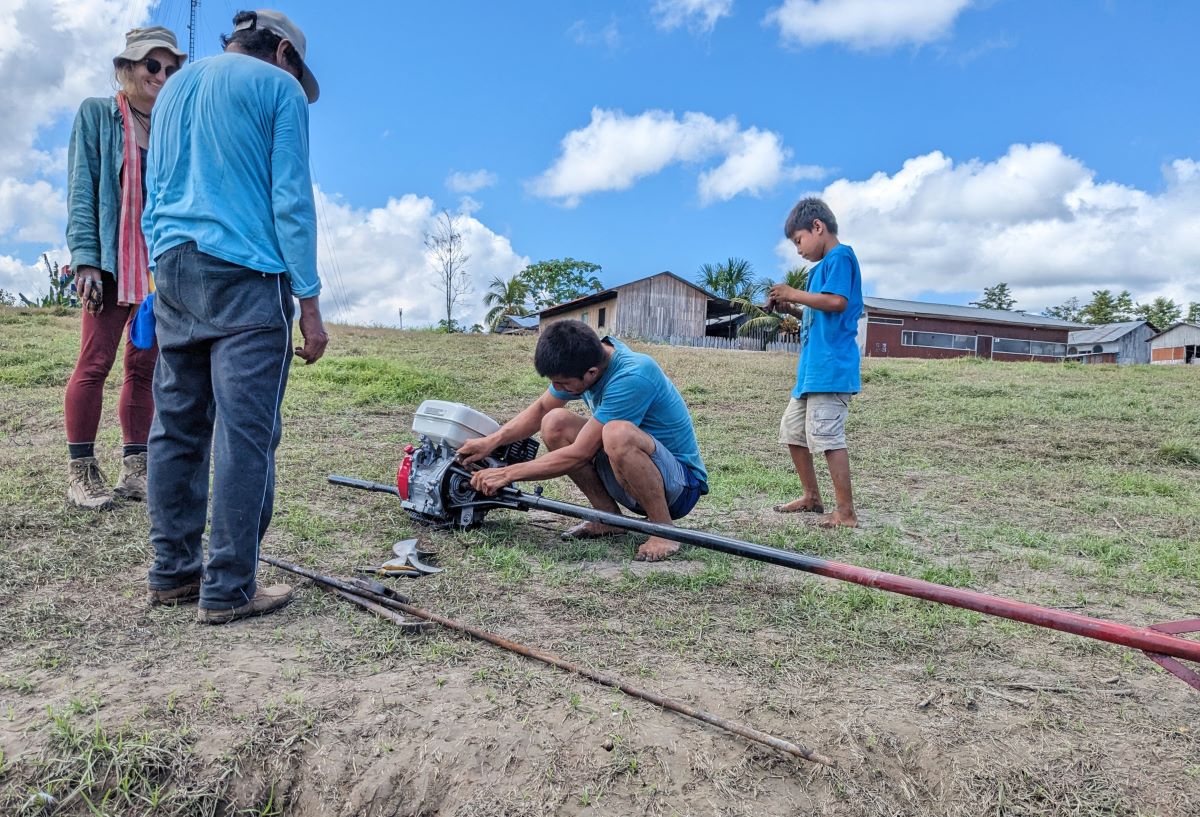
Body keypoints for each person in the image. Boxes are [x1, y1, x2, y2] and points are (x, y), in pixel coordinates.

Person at [141, 9, 327, 623]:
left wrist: (159, 265)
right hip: (247, 273)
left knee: (176, 426)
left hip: (171, 266)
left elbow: (155, 187)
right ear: (282, 55)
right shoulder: (277, 89)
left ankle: (172, 573)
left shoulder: (172, 91)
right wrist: (310, 302)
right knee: (246, 433)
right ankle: (229, 587)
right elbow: (291, 199)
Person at [459, 320, 708, 562]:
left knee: (616, 433)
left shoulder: (634, 374)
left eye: (562, 383)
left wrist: (507, 474)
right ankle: (607, 519)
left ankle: (664, 530)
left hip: (680, 487)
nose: (557, 388)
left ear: (592, 373)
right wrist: (491, 441)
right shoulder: (586, 359)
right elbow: (542, 408)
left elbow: (580, 453)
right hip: (631, 477)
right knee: (554, 421)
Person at [63, 27, 186, 510]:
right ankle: (82, 472)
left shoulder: (171, 127)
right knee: (95, 362)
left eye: (170, 69)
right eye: (152, 66)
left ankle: (137, 469)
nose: (161, 75)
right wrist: (86, 260)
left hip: (158, 267)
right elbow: (82, 189)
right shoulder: (97, 114)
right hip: (112, 262)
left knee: (144, 367)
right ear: (127, 69)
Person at [766, 197, 863, 528]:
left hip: (831, 369)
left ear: (818, 227)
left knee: (827, 436)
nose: (798, 250)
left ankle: (846, 512)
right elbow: (815, 311)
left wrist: (792, 293)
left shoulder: (841, 257)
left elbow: (836, 302)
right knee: (793, 431)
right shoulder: (819, 270)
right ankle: (812, 496)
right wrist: (789, 308)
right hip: (810, 372)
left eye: (799, 240)